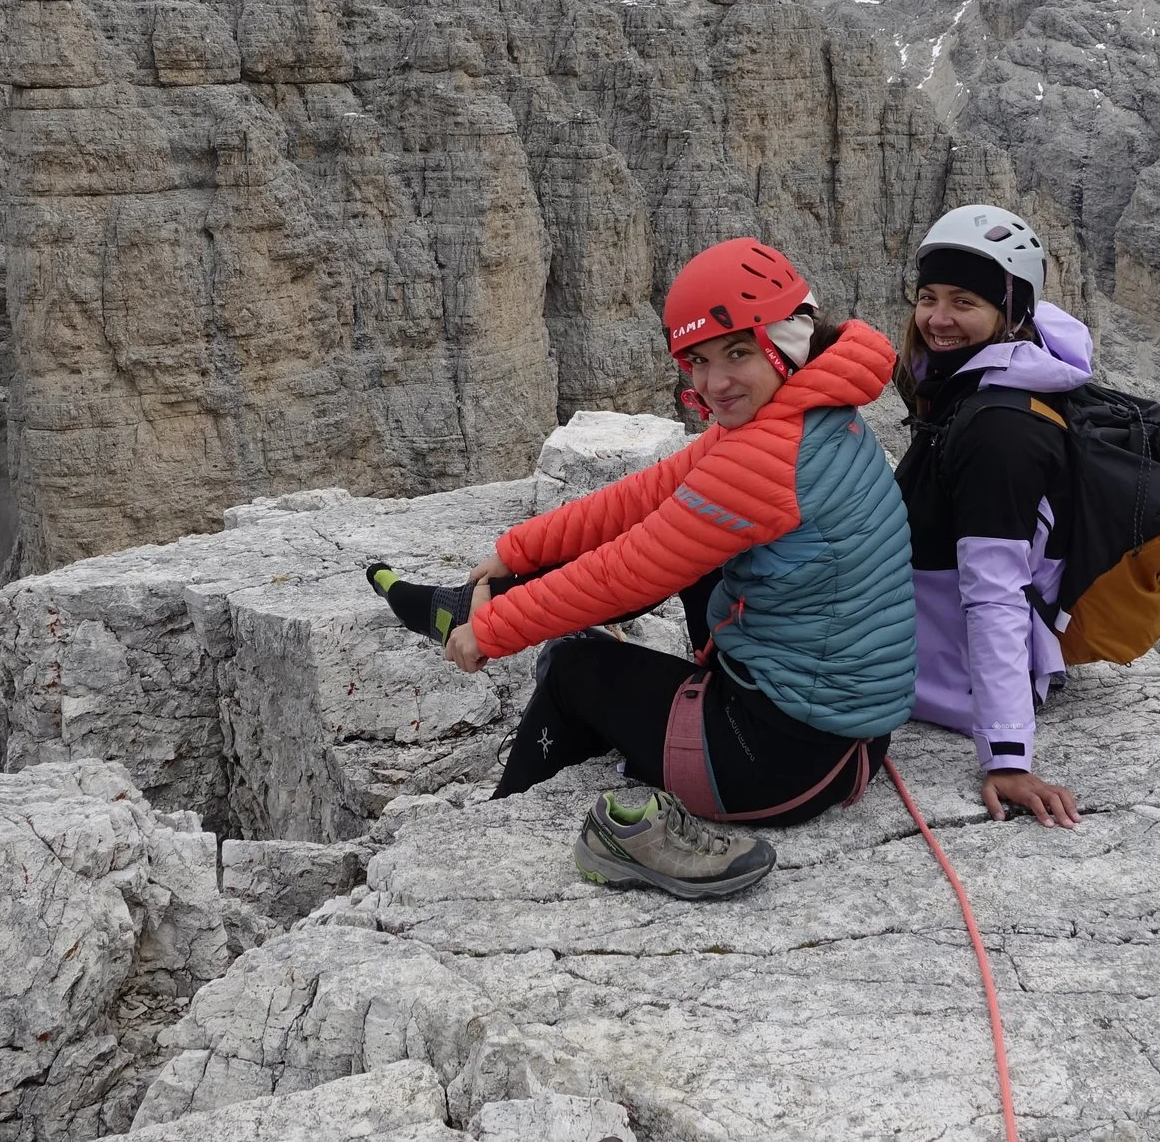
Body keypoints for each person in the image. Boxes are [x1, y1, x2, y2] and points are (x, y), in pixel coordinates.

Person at [371, 237, 915, 899]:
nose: (714, 383)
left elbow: (628, 572)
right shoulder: (809, 408)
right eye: (699, 361)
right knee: (679, 549)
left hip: (781, 763)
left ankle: (506, 812)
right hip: (844, 734)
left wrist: (493, 632)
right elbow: (653, 493)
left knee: (574, 665)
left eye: (738, 353)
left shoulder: (768, 456)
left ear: (785, 343)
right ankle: (467, 599)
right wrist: (519, 549)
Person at [895, 204, 1089, 830]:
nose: (938, 319)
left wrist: (1007, 755)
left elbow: (996, 590)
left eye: (965, 302)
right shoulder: (988, 376)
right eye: (928, 296)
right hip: (940, 648)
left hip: (948, 680)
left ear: (1011, 314)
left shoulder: (997, 429)